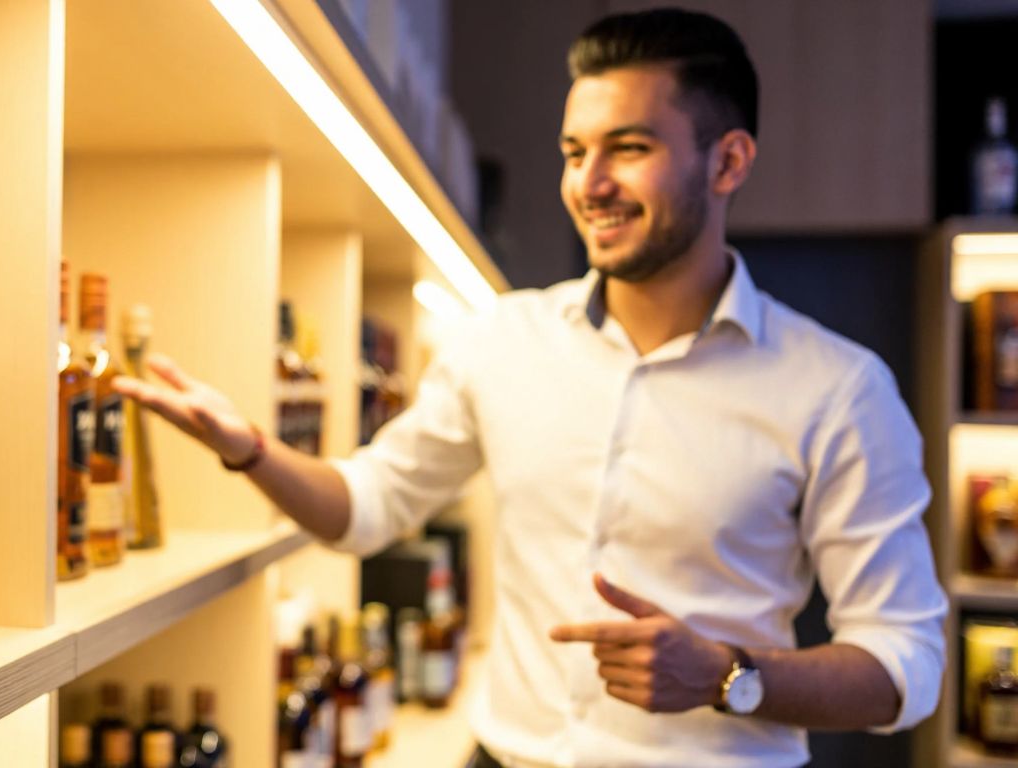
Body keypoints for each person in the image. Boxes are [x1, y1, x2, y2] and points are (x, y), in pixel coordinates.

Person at [113, 7, 946, 767]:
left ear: (727, 161)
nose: (590, 184)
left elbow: (906, 663)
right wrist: (250, 451)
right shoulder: (501, 341)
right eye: (574, 153)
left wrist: (729, 674)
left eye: (630, 148)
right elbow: (368, 506)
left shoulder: (839, 390)